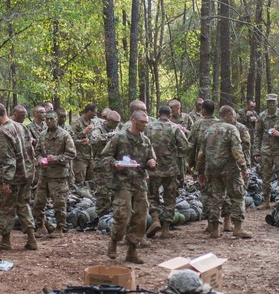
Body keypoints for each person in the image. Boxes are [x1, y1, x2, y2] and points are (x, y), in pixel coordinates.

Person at [101, 110, 157, 264]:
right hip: (122, 183)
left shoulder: (146, 141)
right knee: (122, 216)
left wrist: (151, 163)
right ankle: (114, 241)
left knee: (140, 218)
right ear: (133, 121)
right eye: (142, 122)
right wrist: (115, 164)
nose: (145, 125)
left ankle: (132, 250)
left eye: (146, 122)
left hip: (139, 183)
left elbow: (151, 159)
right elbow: (105, 158)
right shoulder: (119, 138)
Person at [197, 106, 252, 239]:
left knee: (216, 198)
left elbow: (201, 153)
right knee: (238, 196)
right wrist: (244, 167)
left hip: (212, 170)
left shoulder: (209, 130)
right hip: (230, 170)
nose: (234, 119)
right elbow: (237, 151)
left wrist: (200, 172)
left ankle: (215, 230)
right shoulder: (231, 129)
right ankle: (238, 228)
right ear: (227, 115)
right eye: (233, 116)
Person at [0, 104, 38, 251]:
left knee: (5, 208)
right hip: (26, 173)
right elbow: (30, 150)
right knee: (23, 205)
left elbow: (8, 159)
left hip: (13, 177)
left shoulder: (3, 131)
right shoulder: (21, 127)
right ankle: (31, 238)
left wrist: (6, 181)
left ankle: (5, 240)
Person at [146, 105, 190, 239]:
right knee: (170, 198)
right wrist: (174, 154)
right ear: (170, 115)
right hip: (170, 169)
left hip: (153, 168)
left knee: (152, 196)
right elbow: (185, 147)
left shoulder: (149, 127)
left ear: (158, 113)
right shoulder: (175, 128)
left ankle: (155, 220)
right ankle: (165, 229)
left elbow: (143, 144)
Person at [34, 109, 77, 237]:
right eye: (47, 119)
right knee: (38, 202)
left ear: (56, 119)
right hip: (44, 174)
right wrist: (39, 160)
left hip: (59, 175)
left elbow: (71, 153)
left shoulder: (64, 135)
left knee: (59, 203)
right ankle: (41, 226)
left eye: (51, 119)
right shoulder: (42, 135)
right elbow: (37, 152)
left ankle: (59, 227)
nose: (49, 121)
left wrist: (57, 158)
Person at [89, 110, 121, 215]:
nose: (116, 125)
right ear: (108, 120)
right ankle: (101, 216)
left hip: (113, 165)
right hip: (101, 167)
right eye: (115, 123)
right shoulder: (98, 129)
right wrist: (109, 135)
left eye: (118, 123)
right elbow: (93, 140)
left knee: (114, 192)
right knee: (102, 194)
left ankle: (110, 218)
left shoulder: (117, 128)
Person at [69, 104, 97, 186]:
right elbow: (70, 140)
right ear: (89, 112)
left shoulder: (93, 123)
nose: (96, 114)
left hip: (91, 157)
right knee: (79, 183)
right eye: (94, 112)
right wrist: (83, 133)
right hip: (80, 158)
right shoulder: (76, 123)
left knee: (91, 183)